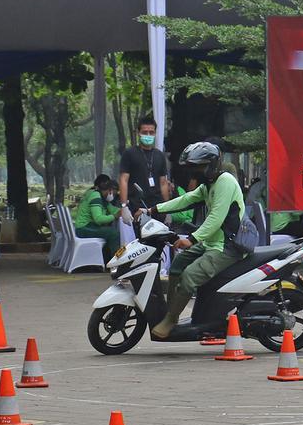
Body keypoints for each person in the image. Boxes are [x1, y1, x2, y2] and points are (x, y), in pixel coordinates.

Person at [142, 141, 246, 339]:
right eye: (193, 167)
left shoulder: (225, 181)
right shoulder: (209, 184)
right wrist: (154, 209)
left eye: (199, 166)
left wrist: (191, 239)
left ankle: (171, 319)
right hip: (211, 243)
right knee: (178, 264)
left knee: (189, 276)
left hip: (227, 246)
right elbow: (186, 199)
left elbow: (216, 217)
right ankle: (171, 311)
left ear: (212, 164)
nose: (195, 171)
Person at [118, 116, 170, 218]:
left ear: (155, 133)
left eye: (151, 132)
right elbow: (123, 180)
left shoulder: (159, 155)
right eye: (145, 132)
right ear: (138, 133)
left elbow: (163, 183)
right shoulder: (129, 153)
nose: (148, 135)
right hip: (137, 205)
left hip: (157, 207)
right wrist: (124, 206)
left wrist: (168, 209)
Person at [73, 174, 120, 259]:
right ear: (110, 190)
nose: (113, 197)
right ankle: (115, 262)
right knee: (113, 233)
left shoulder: (101, 197)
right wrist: (114, 216)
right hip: (84, 228)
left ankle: (106, 259)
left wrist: (122, 211)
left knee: (108, 231)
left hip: (86, 226)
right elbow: (98, 219)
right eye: (114, 194)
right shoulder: (95, 196)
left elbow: (112, 209)